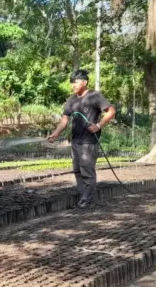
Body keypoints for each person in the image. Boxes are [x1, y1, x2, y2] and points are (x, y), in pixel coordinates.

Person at [47, 69, 116, 208]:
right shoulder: (71, 100)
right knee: (77, 171)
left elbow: (111, 111)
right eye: (71, 82)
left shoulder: (94, 96)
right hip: (76, 141)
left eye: (76, 82)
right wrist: (55, 133)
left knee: (87, 172)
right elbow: (64, 120)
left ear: (84, 82)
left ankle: (86, 201)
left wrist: (99, 125)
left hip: (89, 142)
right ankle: (84, 198)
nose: (73, 85)